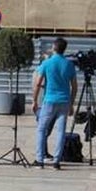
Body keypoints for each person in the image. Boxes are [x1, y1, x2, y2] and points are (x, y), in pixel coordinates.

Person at [31, 37, 76, 169]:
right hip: (64, 101)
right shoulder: (69, 64)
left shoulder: (47, 63)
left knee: (41, 129)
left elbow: (38, 83)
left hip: (49, 100)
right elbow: (74, 86)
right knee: (61, 131)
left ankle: (40, 159)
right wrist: (71, 103)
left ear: (53, 48)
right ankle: (56, 161)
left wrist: (34, 100)